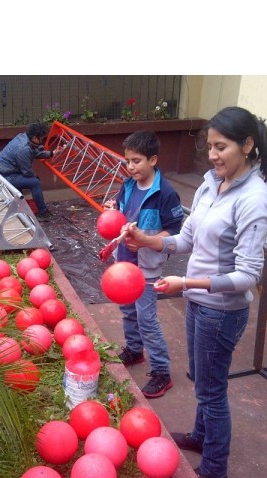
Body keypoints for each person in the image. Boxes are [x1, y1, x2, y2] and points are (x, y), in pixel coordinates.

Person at [125, 106, 267, 478]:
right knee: (204, 380)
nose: (212, 155)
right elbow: (186, 238)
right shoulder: (212, 184)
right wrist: (147, 240)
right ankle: (200, 435)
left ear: (247, 145)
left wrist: (186, 282)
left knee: (211, 389)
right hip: (197, 299)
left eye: (221, 147)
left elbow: (248, 276)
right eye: (209, 146)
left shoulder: (254, 199)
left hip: (220, 311)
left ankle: (214, 471)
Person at [104, 130, 184, 398]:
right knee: (128, 310)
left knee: (147, 318)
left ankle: (162, 372)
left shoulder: (166, 193)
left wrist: (147, 242)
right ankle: (134, 350)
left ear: (153, 159)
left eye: (136, 161)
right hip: (124, 261)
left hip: (147, 267)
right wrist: (112, 209)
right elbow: (121, 210)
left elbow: (174, 232)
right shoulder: (127, 185)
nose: (130, 167)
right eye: (128, 161)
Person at [0, 122, 57, 222]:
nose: (43, 141)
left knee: (31, 180)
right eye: (43, 138)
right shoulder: (23, 148)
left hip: (4, 171)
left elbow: (33, 153)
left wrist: (51, 153)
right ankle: (43, 213)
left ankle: (19, 207)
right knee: (35, 182)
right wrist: (35, 177)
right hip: (4, 176)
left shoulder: (23, 137)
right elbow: (26, 171)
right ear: (36, 138)